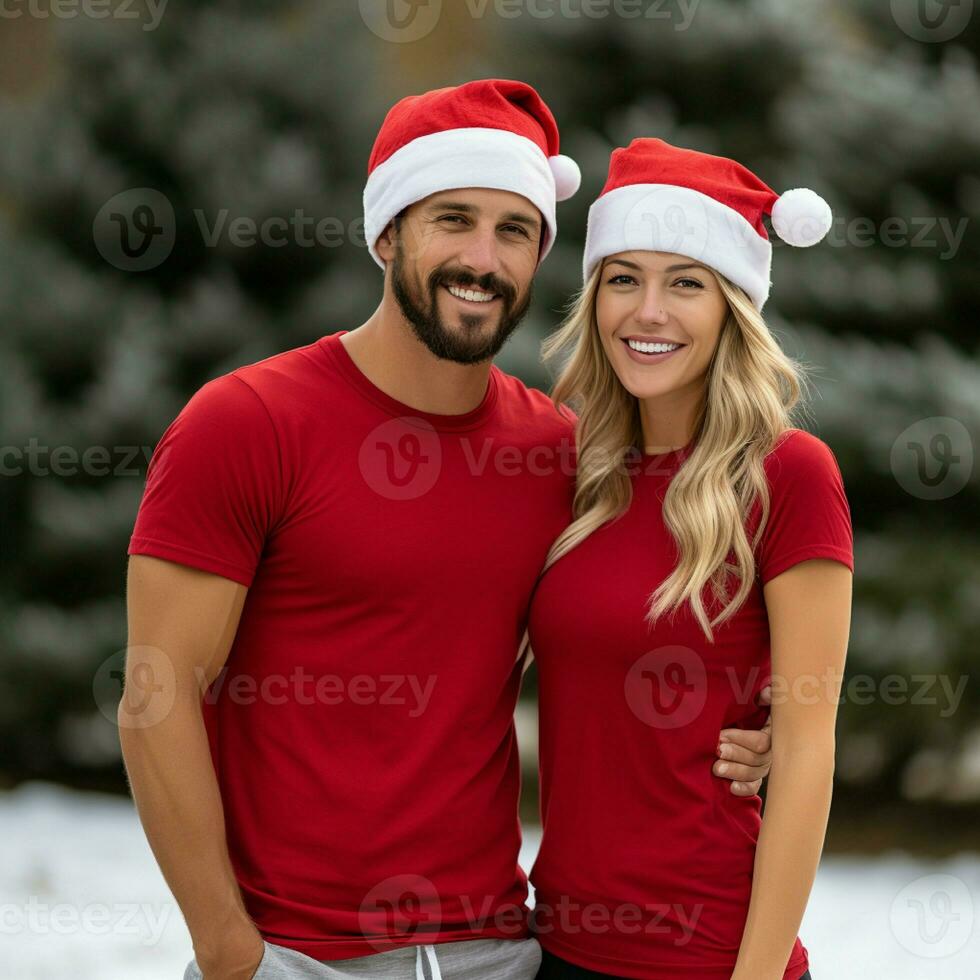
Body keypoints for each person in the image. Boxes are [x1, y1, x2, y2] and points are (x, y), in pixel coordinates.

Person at [121, 83, 773, 980]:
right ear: (388, 233)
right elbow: (154, 702)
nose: (482, 258)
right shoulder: (245, 423)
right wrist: (232, 953)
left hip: (500, 953)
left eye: (515, 231)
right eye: (452, 220)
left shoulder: (562, 454)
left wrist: (768, 727)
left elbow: (642, 627)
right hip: (294, 956)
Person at [526, 138, 853, 980]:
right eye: (624, 277)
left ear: (733, 307)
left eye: (686, 283)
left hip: (709, 958)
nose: (649, 311)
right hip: (555, 945)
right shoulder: (576, 471)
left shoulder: (789, 474)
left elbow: (810, 748)